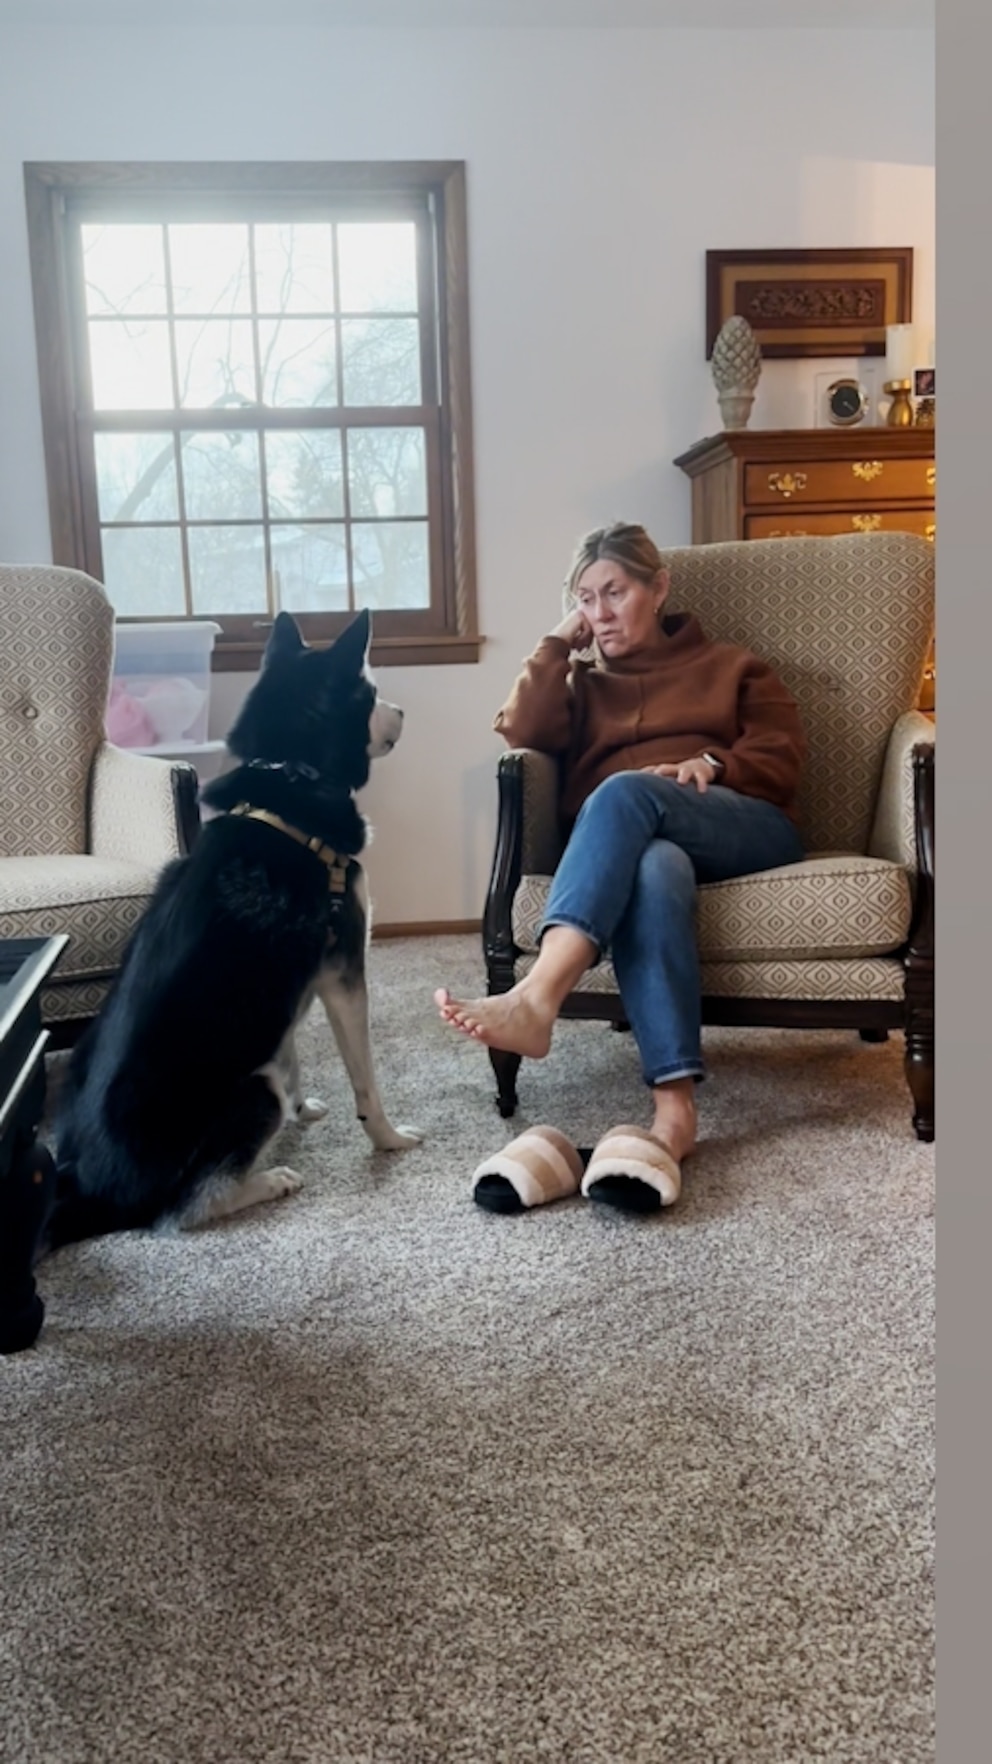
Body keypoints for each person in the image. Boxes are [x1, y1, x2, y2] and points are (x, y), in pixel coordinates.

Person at [435, 521, 807, 1216]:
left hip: (740, 824)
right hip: (645, 849)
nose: (599, 613)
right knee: (654, 867)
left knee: (628, 788)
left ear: (658, 587)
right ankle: (674, 1112)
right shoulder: (581, 687)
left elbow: (783, 752)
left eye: (615, 592)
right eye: (585, 598)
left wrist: (715, 763)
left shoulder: (732, 666)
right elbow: (521, 733)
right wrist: (555, 643)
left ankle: (537, 997)